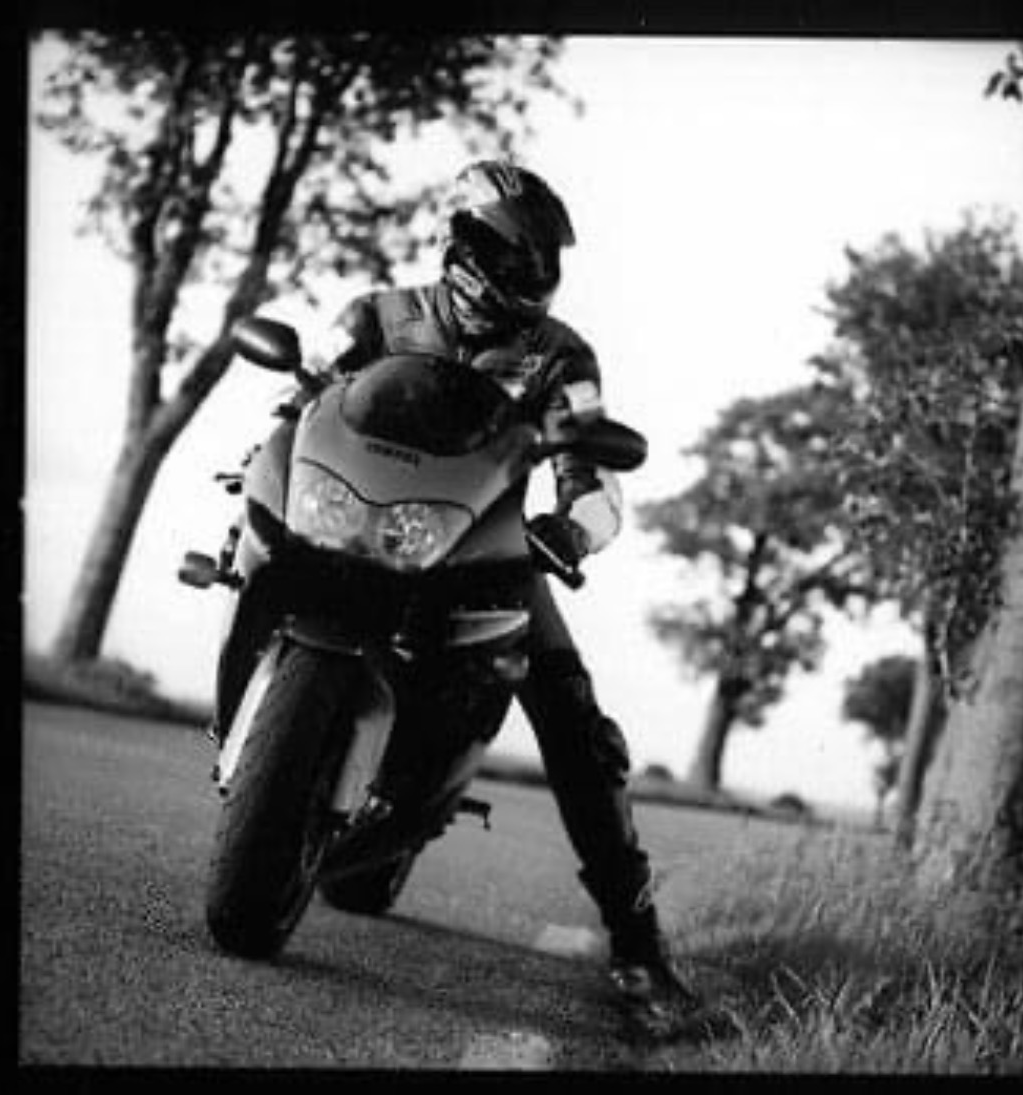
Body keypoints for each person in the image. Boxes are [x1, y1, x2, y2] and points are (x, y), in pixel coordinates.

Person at [217, 161, 702, 1019]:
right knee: (246, 539)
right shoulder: (376, 315)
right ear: (469, 247)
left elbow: (591, 476)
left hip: (480, 543)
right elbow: (303, 401)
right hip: (352, 515)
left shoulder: (562, 357)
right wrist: (268, 455)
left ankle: (640, 951)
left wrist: (571, 530)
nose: (533, 275)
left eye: (542, 261)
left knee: (575, 721)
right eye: (519, 256)